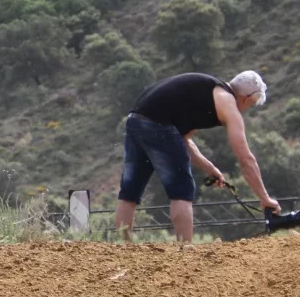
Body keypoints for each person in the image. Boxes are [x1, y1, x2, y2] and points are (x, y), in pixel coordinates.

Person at [115, 70, 279, 244]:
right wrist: (265, 199)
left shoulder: (207, 92)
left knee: (130, 191)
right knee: (182, 189)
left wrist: (209, 168)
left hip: (135, 120)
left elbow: (183, 140)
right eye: (251, 104)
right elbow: (246, 160)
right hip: (158, 125)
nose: (246, 110)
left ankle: (123, 249)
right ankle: (185, 251)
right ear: (247, 97)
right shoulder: (227, 103)